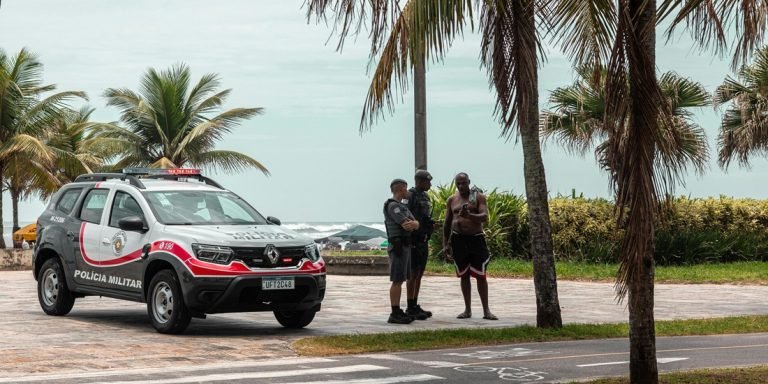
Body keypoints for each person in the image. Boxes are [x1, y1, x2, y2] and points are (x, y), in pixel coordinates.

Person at [443, 172, 498, 320]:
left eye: (464, 183)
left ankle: (486, 310)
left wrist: (470, 216)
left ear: (469, 182)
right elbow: (447, 223)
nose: (461, 186)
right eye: (458, 183)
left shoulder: (478, 197)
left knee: (481, 275)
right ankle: (467, 310)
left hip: (476, 239)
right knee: (464, 275)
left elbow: (485, 217)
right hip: (458, 240)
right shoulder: (452, 199)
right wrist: (445, 244)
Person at [383, 178, 420, 324]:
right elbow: (407, 225)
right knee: (397, 280)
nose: (408, 191)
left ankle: (398, 310)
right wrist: (414, 224)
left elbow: (415, 223)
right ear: (400, 189)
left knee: (402, 279)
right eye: (406, 188)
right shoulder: (393, 206)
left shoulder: (402, 206)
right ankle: (395, 312)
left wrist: (415, 224)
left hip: (406, 246)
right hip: (398, 247)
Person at [405, 169, 435, 320]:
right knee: (412, 274)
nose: (429, 184)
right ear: (419, 181)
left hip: (423, 240)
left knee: (420, 274)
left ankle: (415, 304)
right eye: (427, 181)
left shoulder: (425, 196)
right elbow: (405, 218)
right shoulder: (410, 196)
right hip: (413, 241)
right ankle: (410, 306)